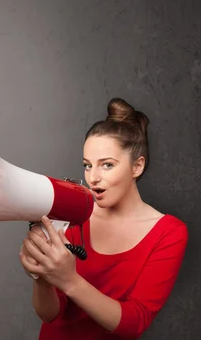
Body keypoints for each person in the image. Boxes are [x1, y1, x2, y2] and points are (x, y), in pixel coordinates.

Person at [18, 97, 189, 339]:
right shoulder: (75, 212)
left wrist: (69, 281)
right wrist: (43, 277)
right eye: (87, 165)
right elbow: (49, 314)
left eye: (107, 165)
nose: (93, 178)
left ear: (137, 166)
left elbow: (134, 323)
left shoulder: (169, 233)